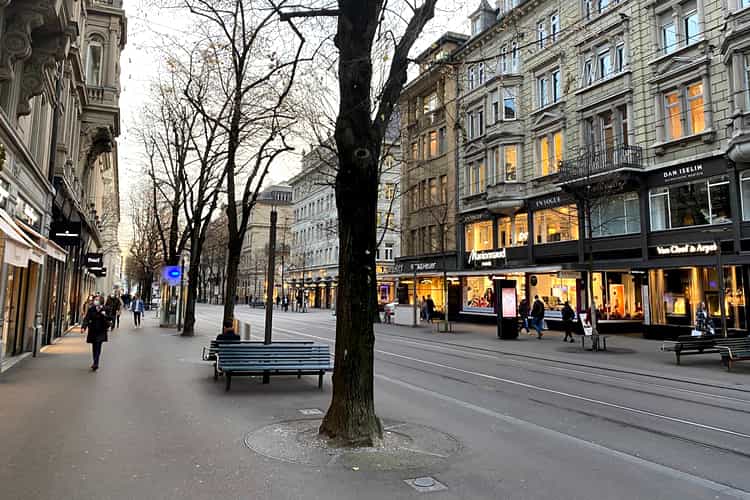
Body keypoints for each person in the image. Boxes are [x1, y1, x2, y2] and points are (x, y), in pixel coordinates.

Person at [82, 294, 111, 371]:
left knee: (98, 345)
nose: (95, 301)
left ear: (101, 301)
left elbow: (110, 318)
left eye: (97, 300)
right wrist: (84, 327)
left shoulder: (106, 309)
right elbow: (87, 318)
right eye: (95, 300)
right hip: (93, 330)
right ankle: (95, 361)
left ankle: (96, 363)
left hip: (101, 331)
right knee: (94, 347)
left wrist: (104, 315)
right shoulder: (91, 309)